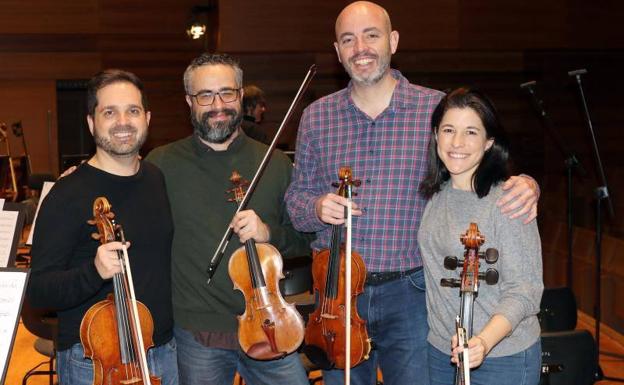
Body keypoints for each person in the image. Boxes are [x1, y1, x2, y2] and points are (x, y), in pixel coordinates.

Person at [284, 2, 539, 385]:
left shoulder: (435, 109)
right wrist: (316, 206)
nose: (361, 48)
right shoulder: (316, 117)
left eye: (372, 35)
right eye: (348, 40)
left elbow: (474, 163)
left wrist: (527, 183)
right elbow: (295, 202)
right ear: (337, 51)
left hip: (414, 293)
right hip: (337, 298)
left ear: (394, 40)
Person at [146, 53, 312, 385]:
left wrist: (269, 232)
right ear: (189, 102)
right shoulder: (161, 164)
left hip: (270, 325)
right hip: (198, 330)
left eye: (227, 93)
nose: (217, 104)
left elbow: (305, 238)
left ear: (239, 95)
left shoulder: (275, 163)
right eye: (205, 95)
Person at [27, 69, 178, 385]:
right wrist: (93, 272)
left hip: (162, 351)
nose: (123, 122)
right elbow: (39, 290)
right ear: (92, 122)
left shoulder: (156, 178)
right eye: (110, 112)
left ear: (147, 118)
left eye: (132, 111)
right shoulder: (66, 194)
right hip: (94, 360)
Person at [418, 87, 543, 385]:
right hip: (441, 351)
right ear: (436, 135)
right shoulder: (436, 196)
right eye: (448, 130)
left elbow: (525, 290)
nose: (457, 142)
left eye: (471, 132)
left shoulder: (508, 200)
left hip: (502, 355)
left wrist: (483, 342)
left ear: (489, 142)